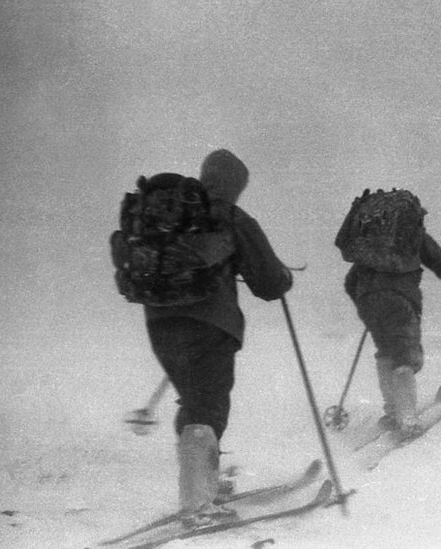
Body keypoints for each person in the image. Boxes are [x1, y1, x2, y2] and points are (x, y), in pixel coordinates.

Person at [140, 150, 293, 526]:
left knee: (194, 401)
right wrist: (284, 278)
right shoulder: (230, 216)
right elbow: (270, 282)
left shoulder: (170, 212)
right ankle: (198, 504)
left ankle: (201, 485)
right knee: (207, 406)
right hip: (211, 325)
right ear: (237, 185)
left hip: (159, 321)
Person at [336, 189, 441, 437]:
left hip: (369, 302)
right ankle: (407, 418)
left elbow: (350, 282)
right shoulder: (412, 236)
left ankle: (393, 412)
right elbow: (440, 263)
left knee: (386, 353)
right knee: (404, 356)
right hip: (400, 301)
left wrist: (366, 303)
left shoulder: (368, 245)